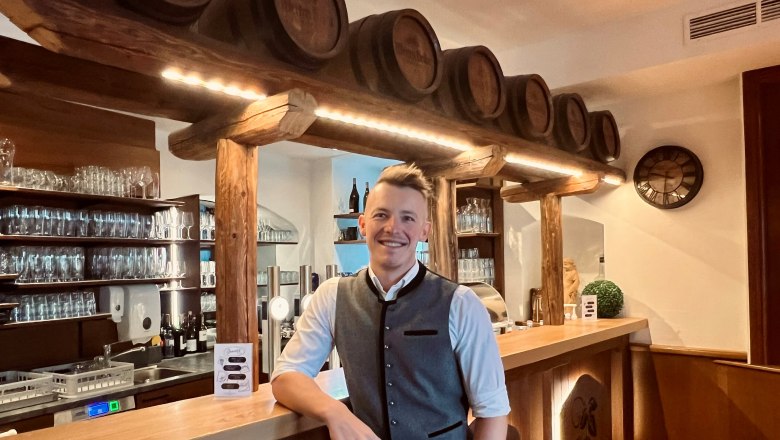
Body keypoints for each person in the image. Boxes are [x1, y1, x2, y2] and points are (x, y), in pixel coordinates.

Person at [271, 163, 510, 439]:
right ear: (362, 224)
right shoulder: (332, 296)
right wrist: (335, 412)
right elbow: (286, 375)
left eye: (408, 218)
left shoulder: (461, 303)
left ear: (424, 231)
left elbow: (492, 412)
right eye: (381, 215)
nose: (393, 227)